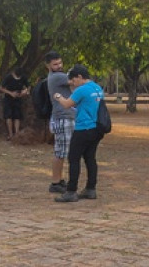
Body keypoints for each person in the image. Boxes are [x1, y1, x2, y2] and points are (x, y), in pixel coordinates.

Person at [53, 64, 104, 202]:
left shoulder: (82, 90)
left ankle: (71, 191)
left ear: (80, 77)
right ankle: (91, 188)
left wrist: (58, 96)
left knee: (74, 158)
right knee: (90, 158)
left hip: (82, 128)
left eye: (74, 81)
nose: (73, 84)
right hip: (96, 128)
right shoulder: (97, 88)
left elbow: (67, 104)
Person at [46, 51, 75, 194]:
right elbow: (75, 80)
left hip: (63, 117)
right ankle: (55, 181)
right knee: (61, 152)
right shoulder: (57, 77)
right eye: (55, 64)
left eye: (60, 63)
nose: (59, 66)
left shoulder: (57, 76)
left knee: (61, 151)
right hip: (62, 117)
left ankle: (58, 179)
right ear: (48, 66)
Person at [0, 66, 29, 140]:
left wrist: (24, 91)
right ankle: (10, 134)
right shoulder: (8, 77)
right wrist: (10, 93)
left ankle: (17, 134)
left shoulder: (23, 77)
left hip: (18, 99)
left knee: (17, 116)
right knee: (8, 116)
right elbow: (1, 87)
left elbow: (28, 86)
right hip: (8, 99)